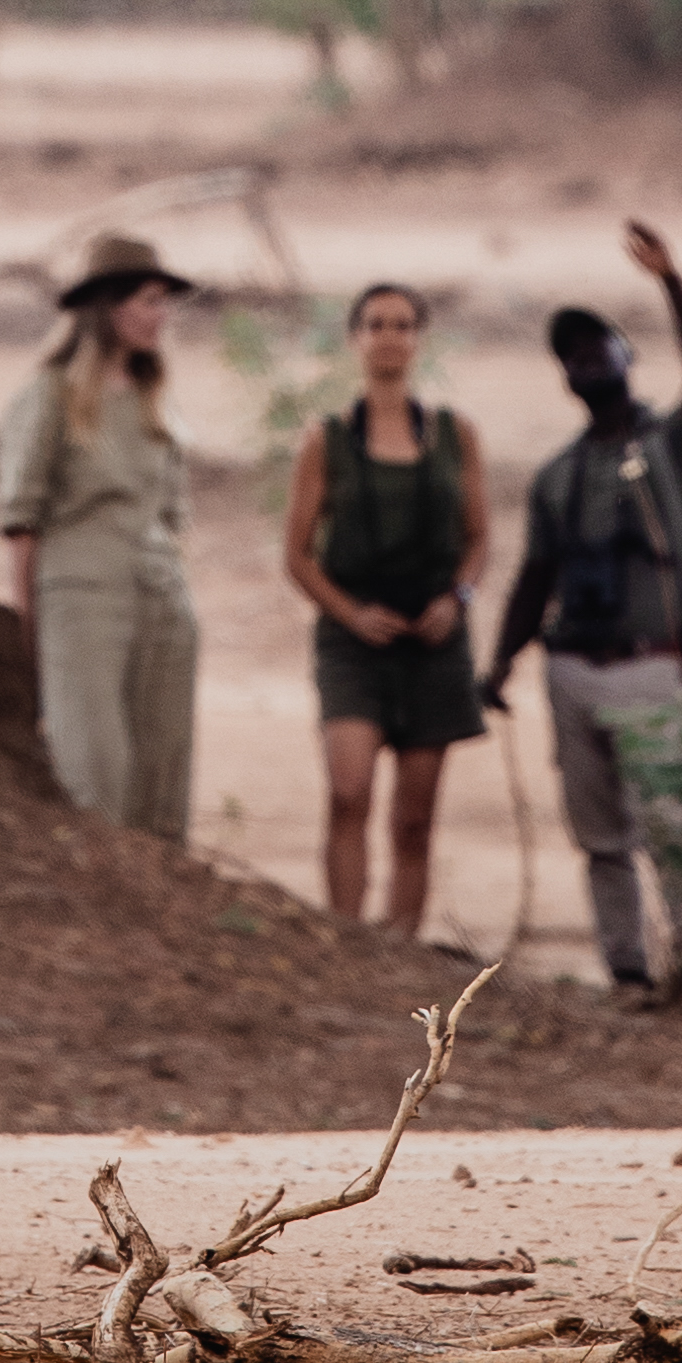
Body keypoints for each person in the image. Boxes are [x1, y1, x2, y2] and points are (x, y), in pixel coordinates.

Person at [483, 222, 682, 1003]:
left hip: (649, 660)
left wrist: (672, 281)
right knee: (600, 837)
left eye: (599, 347)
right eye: (574, 355)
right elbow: (534, 574)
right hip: (572, 666)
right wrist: (500, 661)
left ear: (628, 356)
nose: (588, 363)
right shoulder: (558, 474)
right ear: (565, 377)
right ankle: (626, 970)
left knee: (669, 827)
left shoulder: (672, 448)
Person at [281, 281, 492, 932]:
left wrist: (457, 599)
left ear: (419, 340)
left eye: (403, 324)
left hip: (433, 639)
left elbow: (479, 537)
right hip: (354, 640)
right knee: (349, 793)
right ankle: (346, 938)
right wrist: (351, 616)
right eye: (376, 324)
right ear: (356, 340)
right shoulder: (329, 439)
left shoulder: (457, 435)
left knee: (415, 816)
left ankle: (401, 947)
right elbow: (297, 555)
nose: (390, 336)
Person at [0, 225, 199, 835]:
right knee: (95, 768)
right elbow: (21, 522)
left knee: (163, 772)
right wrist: (28, 628)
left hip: (162, 596)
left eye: (165, 301)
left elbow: (172, 513)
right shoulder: (49, 394)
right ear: (109, 308)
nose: (162, 316)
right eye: (149, 301)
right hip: (82, 597)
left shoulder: (154, 399)